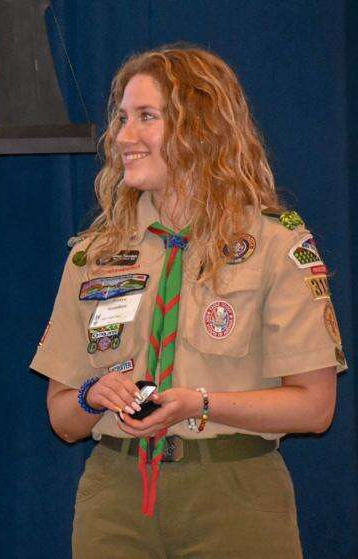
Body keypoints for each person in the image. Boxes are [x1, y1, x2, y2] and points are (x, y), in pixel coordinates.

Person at [30, 45, 345, 558]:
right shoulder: (95, 254)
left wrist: (198, 404)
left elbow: (315, 406)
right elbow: (62, 418)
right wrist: (94, 395)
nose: (122, 136)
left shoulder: (275, 245)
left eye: (146, 118)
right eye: (122, 118)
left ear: (200, 128)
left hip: (233, 495)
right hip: (115, 499)